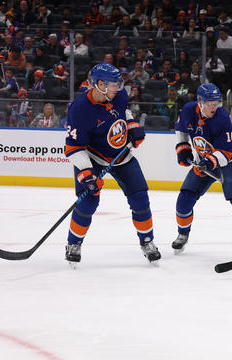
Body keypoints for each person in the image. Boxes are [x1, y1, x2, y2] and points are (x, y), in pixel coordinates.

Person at [63, 63, 161, 265]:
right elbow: (73, 148)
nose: (119, 87)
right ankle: (74, 243)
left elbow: (123, 112)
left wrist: (132, 126)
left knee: (140, 198)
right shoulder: (79, 109)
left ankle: (147, 241)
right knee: (88, 202)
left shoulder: (119, 95)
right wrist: (86, 173)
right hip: (93, 157)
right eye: (114, 84)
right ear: (100, 84)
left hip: (122, 155)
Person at [172, 82, 232, 257]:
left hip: (229, 160)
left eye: (217, 103)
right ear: (200, 102)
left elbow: (226, 151)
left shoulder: (222, 117)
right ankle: (183, 234)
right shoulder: (188, 110)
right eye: (211, 104)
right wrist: (183, 148)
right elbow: (181, 130)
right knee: (184, 199)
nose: (215, 107)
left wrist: (209, 162)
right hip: (203, 160)